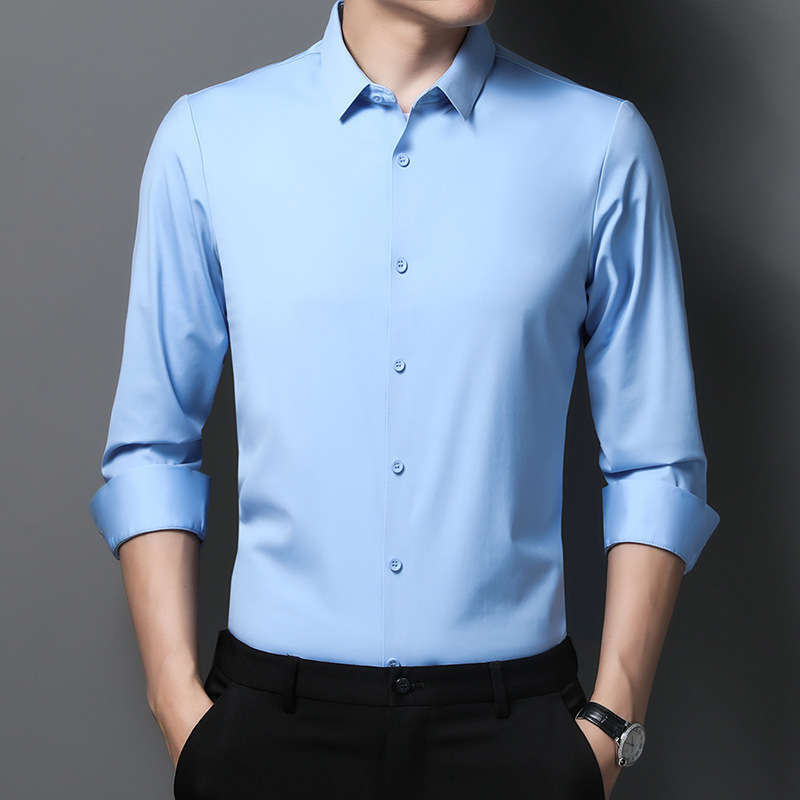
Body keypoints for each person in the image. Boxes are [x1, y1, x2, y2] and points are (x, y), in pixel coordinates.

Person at [88, 1, 721, 798]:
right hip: (269, 733)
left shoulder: (599, 144)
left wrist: (610, 722)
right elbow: (152, 447)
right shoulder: (209, 140)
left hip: (514, 736)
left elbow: (656, 461)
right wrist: (176, 705)